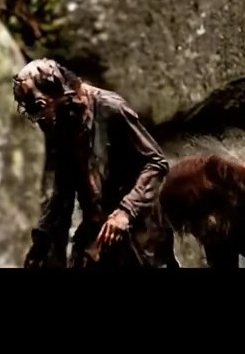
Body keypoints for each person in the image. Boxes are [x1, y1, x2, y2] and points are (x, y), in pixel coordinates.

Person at [12, 57, 179, 268]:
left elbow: (155, 163)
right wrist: (43, 241)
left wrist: (125, 212)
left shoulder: (111, 108)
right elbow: (63, 189)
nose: (40, 119)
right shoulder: (63, 124)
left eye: (40, 107)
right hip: (97, 234)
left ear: (57, 92)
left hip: (141, 235)